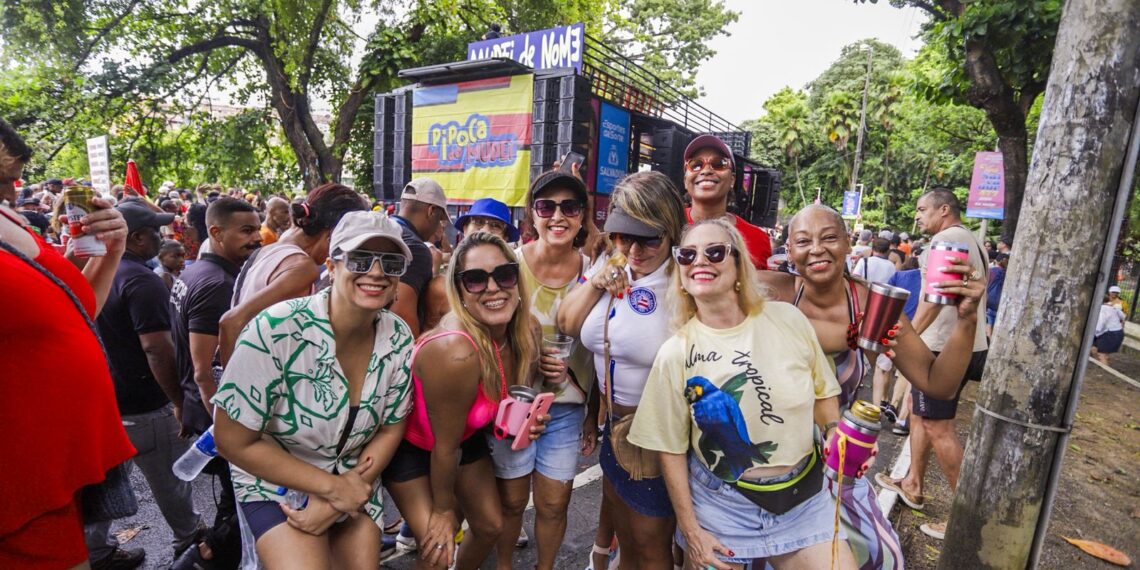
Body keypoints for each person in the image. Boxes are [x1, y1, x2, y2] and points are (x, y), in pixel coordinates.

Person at [759, 204, 983, 570]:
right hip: (763, 462)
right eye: (803, 241)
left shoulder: (872, 306)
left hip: (834, 464)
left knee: (877, 557)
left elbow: (937, 383)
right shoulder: (768, 292)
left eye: (829, 237)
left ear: (849, 244)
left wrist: (967, 319)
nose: (816, 249)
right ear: (789, 251)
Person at [628, 219, 855, 569]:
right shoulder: (675, 352)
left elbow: (823, 393)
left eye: (714, 252)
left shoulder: (789, 320)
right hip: (723, 504)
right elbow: (669, 450)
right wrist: (691, 531)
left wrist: (833, 432)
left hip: (805, 499)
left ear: (738, 267)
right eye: (687, 255)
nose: (700, 261)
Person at [212, 211, 414, 569]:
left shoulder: (397, 337)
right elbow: (232, 440)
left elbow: (391, 426)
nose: (377, 272)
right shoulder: (276, 330)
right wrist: (331, 489)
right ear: (332, 266)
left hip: (354, 476)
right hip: (276, 481)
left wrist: (344, 490)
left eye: (391, 263)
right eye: (360, 259)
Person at [0, 117, 136, 570]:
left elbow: (76, 316)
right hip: (20, 491)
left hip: (59, 476)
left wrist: (112, 248)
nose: (11, 189)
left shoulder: (9, 218)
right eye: (5, 178)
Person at [384, 232, 549, 570]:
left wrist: (529, 420)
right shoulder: (455, 351)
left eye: (503, 274)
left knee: (490, 526)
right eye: (475, 280)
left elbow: (503, 403)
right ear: (459, 290)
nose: (493, 288)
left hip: (462, 443)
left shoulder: (526, 331)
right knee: (438, 543)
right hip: (414, 448)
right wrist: (445, 511)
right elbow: (443, 447)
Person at [557, 171, 686, 568]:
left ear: (672, 231)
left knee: (651, 547)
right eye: (622, 235)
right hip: (612, 428)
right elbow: (568, 324)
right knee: (628, 540)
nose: (633, 248)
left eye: (648, 238)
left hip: (657, 437)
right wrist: (596, 282)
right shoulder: (611, 264)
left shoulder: (685, 282)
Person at [489, 169, 595, 570]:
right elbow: (482, 331)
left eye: (570, 207)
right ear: (532, 216)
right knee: (512, 501)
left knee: (554, 502)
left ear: (583, 217)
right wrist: (528, 356)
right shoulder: (509, 268)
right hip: (512, 404)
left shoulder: (593, 272)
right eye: (546, 206)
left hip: (566, 407)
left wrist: (593, 416)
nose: (558, 216)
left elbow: (606, 346)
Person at [88, 200, 205, 562]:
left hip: (110, 401)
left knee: (102, 485)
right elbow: (156, 348)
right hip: (145, 405)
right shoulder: (141, 280)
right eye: (155, 231)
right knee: (172, 485)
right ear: (136, 238)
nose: (162, 236)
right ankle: (191, 544)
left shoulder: (105, 271)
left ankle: (98, 551)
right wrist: (178, 401)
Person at [876, 188, 989, 541]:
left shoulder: (945, 240)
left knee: (940, 428)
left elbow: (934, 301)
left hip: (944, 350)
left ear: (944, 209)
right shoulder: (972, 239)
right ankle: (913, 483)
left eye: (922, 209)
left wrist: (899, 338)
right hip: (968, 345)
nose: (917, 216)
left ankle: (966, 524)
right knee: (916, 408)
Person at [169, 197, 262, 568]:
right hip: (216, 417)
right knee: (238, 504)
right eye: (246, 231)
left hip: (200, 409)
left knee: (232, 499)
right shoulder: (216, 284)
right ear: (216, 232)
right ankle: (201, 557)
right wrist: (225, 427)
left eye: (257, 229)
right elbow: (203, 368)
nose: (257, 238)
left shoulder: (193, 273)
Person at [217, 183, 367, 364]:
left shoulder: (266, 250)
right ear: (334, 233)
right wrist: (234, 387)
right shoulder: (302, 267)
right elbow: (231, 322)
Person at [421, 197, 519, 333]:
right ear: (465, 228)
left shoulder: (513, 285)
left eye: (495, 225)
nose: (485, 230)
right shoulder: (440, 288)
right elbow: (427, 339)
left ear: (505, 237)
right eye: (478, 222)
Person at [682, 134, 771, 270]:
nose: (706, 170)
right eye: (696, 165)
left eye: (719, 164)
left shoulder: (758, 238)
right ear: (685, 180)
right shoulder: (667, 227)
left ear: (732, 180)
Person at [392, 178, 450, 336]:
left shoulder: (384, 232)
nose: (438, 226)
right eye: (439, 219)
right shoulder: (415, 249)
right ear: (431, 211)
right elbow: (402, 319)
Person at [1093, 294, 1126, 365]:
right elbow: (1123, 316)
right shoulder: (1113, 307)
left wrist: (1094, 333)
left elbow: (1100, 324)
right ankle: (1100, 365)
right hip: (1117, 332)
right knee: (1093, 349)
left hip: (1111, 334)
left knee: (1102, 354)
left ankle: (1104, 370)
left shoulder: (1102, 309)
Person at [985, 253, 1009, 336]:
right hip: (997, 302)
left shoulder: (990, 271)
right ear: (1005, 261)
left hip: (988, 300)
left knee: (989, 321)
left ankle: (988, 337)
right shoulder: (1004, 272)